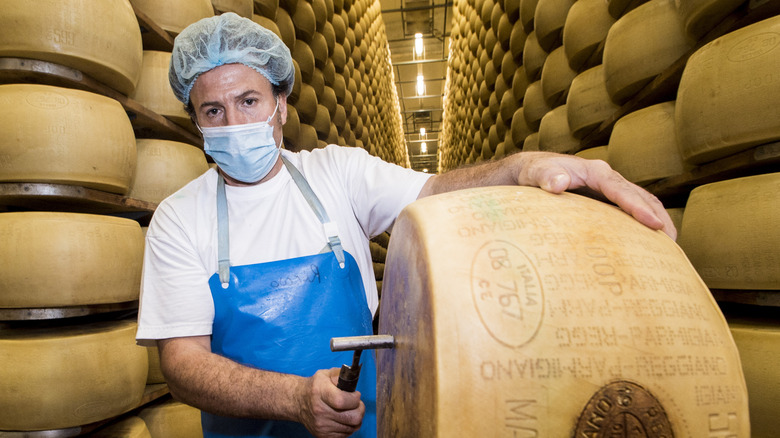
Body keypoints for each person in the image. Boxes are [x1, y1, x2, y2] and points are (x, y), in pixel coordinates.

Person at [136, 12, 676, 438]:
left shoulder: (337, 174)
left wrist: (524, 166)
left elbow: (436, 193)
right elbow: (182, 362)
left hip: (366, 428)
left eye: (248, 101)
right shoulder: (179, 218)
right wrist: (295, 399)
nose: (234, 124)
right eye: (213, 112)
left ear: (280, 103)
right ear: (195, 121)